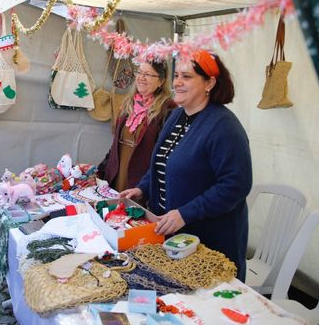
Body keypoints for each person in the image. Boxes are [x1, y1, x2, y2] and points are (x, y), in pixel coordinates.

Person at [121, 50, 252, 280]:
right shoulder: (176, 116)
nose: (178, 83)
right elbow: (164, 162)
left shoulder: (224, 127)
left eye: (187, 77)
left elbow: (236, 185)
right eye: (177, 76)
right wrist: (143, 187)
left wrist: (185, 213)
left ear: (209, 83)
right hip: (173, 238)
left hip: (209, 242)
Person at [97, 59, 176, 193]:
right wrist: (100, 171)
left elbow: (165, 156)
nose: (141, 78)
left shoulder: (168, 109)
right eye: (139, 72)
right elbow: (115, 146)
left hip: (142, 181)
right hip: (115, 176)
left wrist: (145, 186)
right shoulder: (128, 103)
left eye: (148, 74)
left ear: (161, 81)